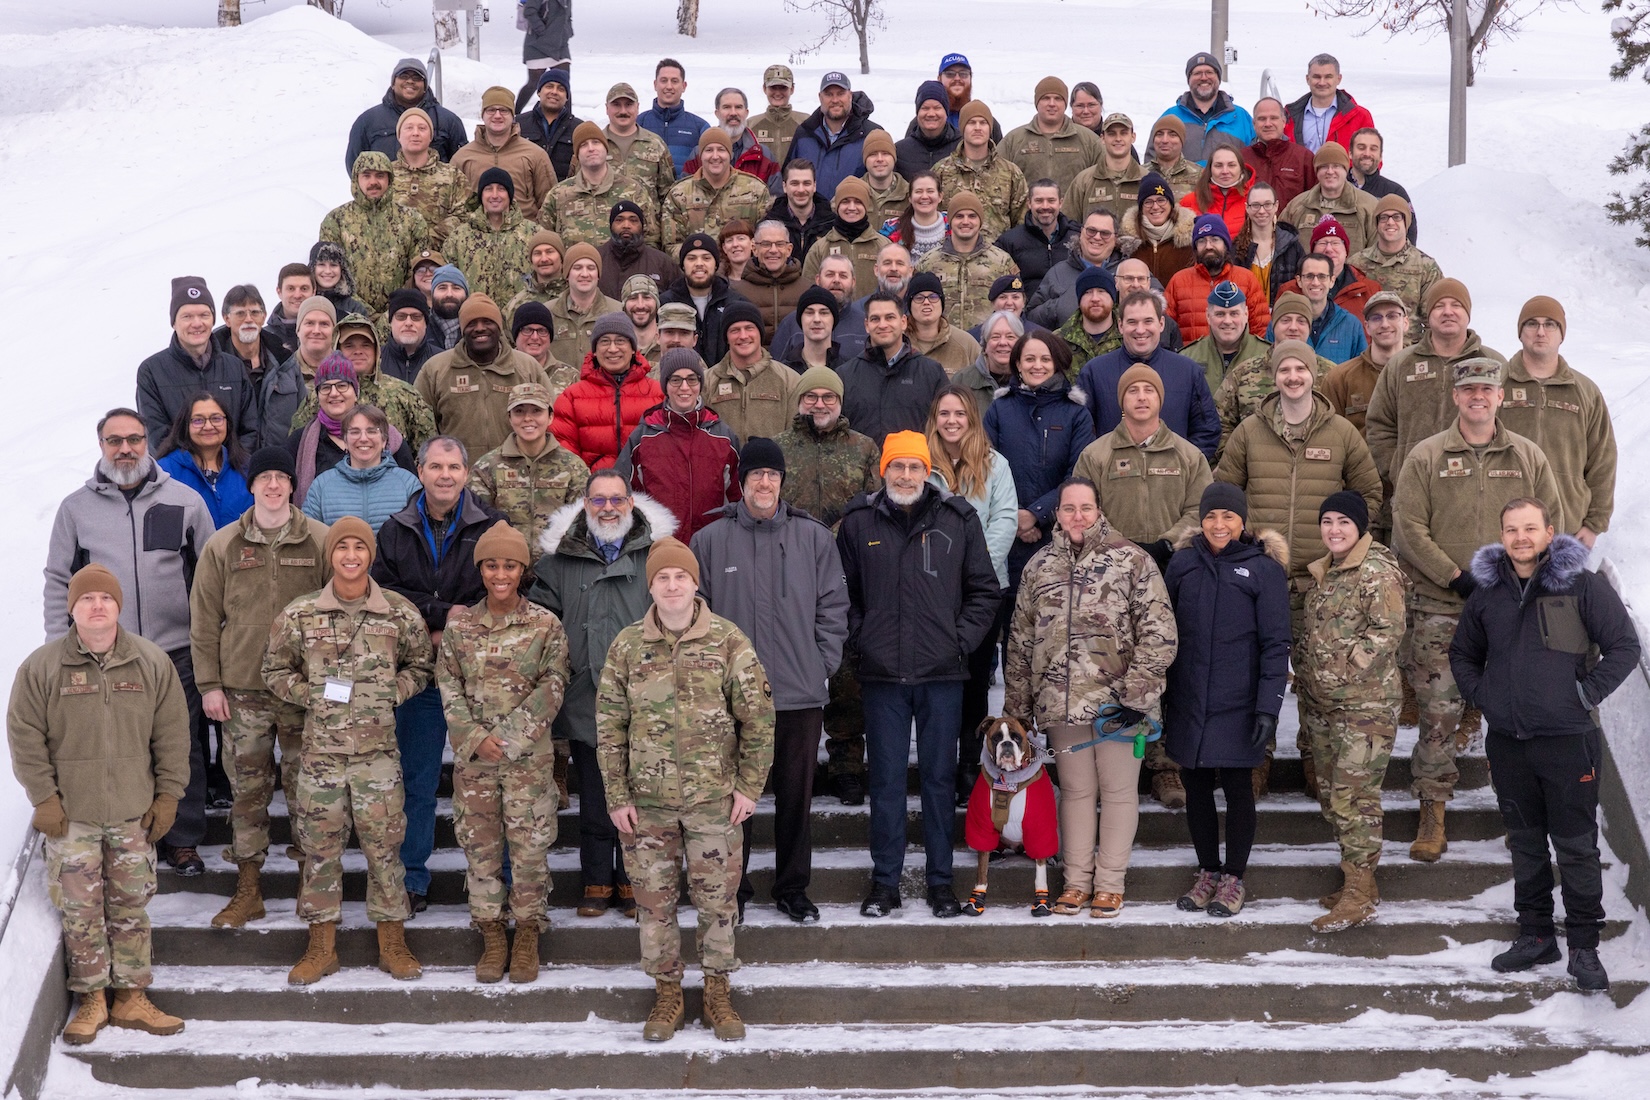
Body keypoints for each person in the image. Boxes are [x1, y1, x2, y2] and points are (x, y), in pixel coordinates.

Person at [1450, 498, 1638, 993]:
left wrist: (1586, 692)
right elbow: (1463, 653)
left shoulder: (1581, 584)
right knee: (1527, 844)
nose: (1520, 537)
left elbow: (1623, 646)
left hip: (1568, 741)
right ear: (1502, 535)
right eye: (1511, 529)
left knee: (1575, 847)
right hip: (1509, 744)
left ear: (1549, 531)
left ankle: (1583, 947)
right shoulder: (1487, 593)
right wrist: (1483, 695)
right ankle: (1535, 934)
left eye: (1530, 528)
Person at [597, 536, 775, 1042]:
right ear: (649, 586)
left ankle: (717, 989)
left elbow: (758, 719)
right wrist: (617, 795)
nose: (672, 586)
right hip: (647, 806)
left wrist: (748, 788)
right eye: (662, 578)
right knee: (654, 903)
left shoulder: (727, 640)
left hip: (713, 802)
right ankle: (667, 994)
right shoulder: (628, 646)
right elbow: (609, 726)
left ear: (696, 582)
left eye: (680, 577)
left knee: (717, 901)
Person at [8, 564, 191, 1044]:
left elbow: (172, 735)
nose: (96, 606)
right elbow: (25, 737)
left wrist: (169, 795)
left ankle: (131, 997)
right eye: (86, 599)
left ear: (118, 606)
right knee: (81, 910)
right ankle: (92, 1000)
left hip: (133, 812)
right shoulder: (43, 667)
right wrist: (44, 798)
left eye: (105, 599)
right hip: (72, 818)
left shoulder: (151, 662)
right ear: (72, 608)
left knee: (131, 905)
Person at [1392, 359, 1563, 860]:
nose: (1478, 397)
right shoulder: (1426, 456)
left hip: (1513, 607)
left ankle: (1520, 815)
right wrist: (1456, 576)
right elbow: (1408, 529)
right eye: (1468, 389)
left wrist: (1516, 577)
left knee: (1513, 712)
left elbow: (1548, 522)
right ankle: (1432, 811)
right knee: (1440, 711)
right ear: (1455, 397)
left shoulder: (1528, 456)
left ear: (1500, 396)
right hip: (1441, 605)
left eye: (1487, 388)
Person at [263, 517, 434, 984]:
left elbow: (423, 664)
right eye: (342, 548)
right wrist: (312, 692)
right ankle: (321, 946)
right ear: (330, 555)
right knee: (320, 851)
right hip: (321, 758)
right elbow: (274, 669)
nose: (351, 556)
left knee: (385, 850)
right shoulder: (301, 614)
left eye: (360, 547)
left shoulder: (397, 612)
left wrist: (394, 689)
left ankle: (392, 941)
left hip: (377, 756)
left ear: (371, 555)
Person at [45, 410, 216, 876]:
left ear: (149, 442)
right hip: (105, 654)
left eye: (135, 439)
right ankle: (133, 835)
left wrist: (211, 642)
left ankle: (182, 840)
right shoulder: (75, 508)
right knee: (116, 745)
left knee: (181, 747)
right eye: (114, 440)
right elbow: (60, 578)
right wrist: (59, 646)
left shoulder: (185, 500)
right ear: (100, 445)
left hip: (175, 651)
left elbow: (211, 576)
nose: (125, 449)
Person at [837, 432, 1000, 919]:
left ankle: (940, 882)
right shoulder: (858, 522)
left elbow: (984, 592)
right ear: (882, 471)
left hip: (940, 677)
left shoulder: (958, 519)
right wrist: (862, 639)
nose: (905, 476)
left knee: (937, 780)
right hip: (883, 677)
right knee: (886, 781)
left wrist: (957, 643)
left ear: (928, 470)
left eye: (914, 466)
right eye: (897, 467)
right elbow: (842, 597)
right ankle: (884, 883)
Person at [1215, 339, 1383, 794]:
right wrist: (1242, 544)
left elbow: (1368, 493)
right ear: (1275, 375)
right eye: (1285, 369)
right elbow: (1224, 495)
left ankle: (1315, 758)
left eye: (1301, 369)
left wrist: (1344, 547)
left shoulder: (1342, 432)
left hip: (1321, 580)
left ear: (1314, 375)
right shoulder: (1249, 431)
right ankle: (1257, 760)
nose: (1293, 376)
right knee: (1256, 673)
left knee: (1316, 676)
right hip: (1261, 577)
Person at [692, 438, 848, 923]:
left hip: (798, 694)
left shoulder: (814, 538)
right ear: (741, 483)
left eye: (772, 476)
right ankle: (733, 889)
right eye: (756, 475)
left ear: (782, 481)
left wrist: (820, 664)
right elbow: (699, 618)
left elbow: (833, 609)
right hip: (732, 700)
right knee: (732, 801)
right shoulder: (710, 541)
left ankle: (792, 888)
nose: (764, 483)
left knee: (795, 796)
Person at [1005, 476, 1177, 918]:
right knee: (1077, 793)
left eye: (1085, 507)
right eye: (1068, 508)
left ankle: (1110, 884)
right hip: (1060, 705)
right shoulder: (1039, 565)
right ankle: (1077, 882)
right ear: (1057, 513)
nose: (1077, 516)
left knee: (1119, 793)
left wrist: (1136, 695)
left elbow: (1159, 633)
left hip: (1117, 706)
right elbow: (1021, 640)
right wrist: (1018, 710)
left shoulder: (1132, 560)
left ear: (1099, 510)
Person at [189, 447, 329, 929]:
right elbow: (204, 619)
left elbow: (340, 614)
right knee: (247, 793)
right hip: (242, 691)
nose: (273, 485)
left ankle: (313, 887)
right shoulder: (224, 544)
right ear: (251, 485)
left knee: (306, 792)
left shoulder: (321, 541)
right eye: (264, 477)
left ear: (293, 486)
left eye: (281, 477)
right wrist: (209, 683)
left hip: (302, 692)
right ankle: (249, 888)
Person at [370, 437, 507, 915]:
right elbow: (386, 592)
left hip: (479, 677)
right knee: (418, 779)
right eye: (435, 466)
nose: (444, 475)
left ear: (466, 474)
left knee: (490, 780)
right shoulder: (395, 529)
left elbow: (500, 587)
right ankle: (412, 878)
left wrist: (449, 623)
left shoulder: (491, 526)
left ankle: (499, 879)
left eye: (453, 466)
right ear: (420, 473)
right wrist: (438, 614)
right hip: (420, 675)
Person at [529, 473, 674, 918]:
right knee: (594, 793)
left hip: (643, 697)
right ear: (585, 504)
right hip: (583, 694)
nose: (607, 508)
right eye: (598, 500)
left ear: (631, 503)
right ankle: (595, 881)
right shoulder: (558, 562)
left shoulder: (656, 555)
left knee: (639, 792)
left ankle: (632, 880)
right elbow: (542, 625)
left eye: (616, 499)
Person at [438, 520, 568, 983]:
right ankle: (492, 934)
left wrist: (508, 738)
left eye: (509, 565)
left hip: (527, 762)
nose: (500, 573)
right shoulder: (460, 628)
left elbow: (553, 685)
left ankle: (529, 931)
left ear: (522, 570)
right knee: (481, 850)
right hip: (475, 765)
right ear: (481, 570)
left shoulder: (544, 625)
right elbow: (448, 686)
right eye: (491, 564)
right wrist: (475, 739)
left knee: (530, 849)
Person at [1162, 482, 1288, 919]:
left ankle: (1233, 876)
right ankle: (1207, 871)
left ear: (1242, 521)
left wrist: (1268, 705)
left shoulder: (1263, 571)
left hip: (1240, 702)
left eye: (1228, 517)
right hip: (1189, 697)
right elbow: (1164, 632)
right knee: (1195, 788)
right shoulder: (1181, 565)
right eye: (1211, 516)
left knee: (1237, 790)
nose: (1219, 524)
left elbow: (1276, 644)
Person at [1297, 490, 1406, 932]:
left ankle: (1360, 891)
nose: (1334, 530)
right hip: (1323, 707)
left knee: (1353, 797)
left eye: (1344, 521)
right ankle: (1356, 881)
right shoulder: (1329, 571)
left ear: (1360, 526)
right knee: (1331, 795)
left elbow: (1387, 633)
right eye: (1327, 522)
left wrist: (1338, 674)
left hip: (1366, 706)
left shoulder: (1376, 572)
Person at [925, 386, 1018, 800]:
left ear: (972, 419)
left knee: (976, 681)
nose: (952, 421)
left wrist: (973, 570)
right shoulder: (921, 466)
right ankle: (938, 765)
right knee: (938, 681)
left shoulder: (996, 465)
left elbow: (1005, 520)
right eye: (944, 413)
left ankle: (969, 764)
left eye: (960, 413)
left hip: (983, 590)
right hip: (932, 590)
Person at [985, 332, 1096, 623]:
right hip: (1004, 539)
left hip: (1058, 538)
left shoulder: (1076, 414)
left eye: (1045, 359)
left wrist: (1036, 515)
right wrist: (1015, 518)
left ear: (1057, 363)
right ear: (1018, 365)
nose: (1038, 365)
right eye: (1029, 359)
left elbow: (1078, 475)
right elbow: (985, 467)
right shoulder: (1000, 409)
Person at [1365, 278, 1506, 491]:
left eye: (1456, 305)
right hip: (1413, 490)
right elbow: (1379, 425)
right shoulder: (1401, 364)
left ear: (1468, 314)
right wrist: (1399, 470)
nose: (1447, 311)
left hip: (1476, 491)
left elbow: (1511, 426)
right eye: (1439, 306)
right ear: (1428, 316)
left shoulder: (1493, 363)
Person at [1498, 297, 1616, 547]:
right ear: (1520, 332)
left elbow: (1603, 460)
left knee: (1562, 588)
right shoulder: (1497, 384)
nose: (1540, 332)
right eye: (1531, 324)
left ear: (1561, 334)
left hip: (1566, 527)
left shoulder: (1584, 391)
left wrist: (1594, 524)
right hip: (1504, 525)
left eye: (1550, 324)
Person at [1078, 292, 1221, 460]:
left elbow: (1207, 430)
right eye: (1132, 322)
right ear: (1120, 325)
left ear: (1161, 324)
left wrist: (1181, 466)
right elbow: (1082, 432)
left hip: (1173, 478)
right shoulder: (1095, 372)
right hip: (1112, 477)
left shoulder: (1188, 371)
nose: (1140, 330)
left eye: (1148, 321)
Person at [615, 348, 740, 539]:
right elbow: (621, 495)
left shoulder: (723, 437)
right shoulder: (644, 437)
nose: (684, 387)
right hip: (659, 549)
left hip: (711, 548)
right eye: (675, 379)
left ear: (700, 383)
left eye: (692, 379)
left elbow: (738, 499)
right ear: (665, 385)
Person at [417, 294, 557, 459]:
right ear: (462, 330)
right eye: (471, 323)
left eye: (488, 322)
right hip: (456, 475)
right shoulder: (435, 370)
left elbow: (554, 422)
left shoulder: (527, 367)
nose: (480, 328)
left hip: (516, 475)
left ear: (499, 327)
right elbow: (420, 428)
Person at [137, 277, 260, 454]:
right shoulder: (151, 371)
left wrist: (230, 468)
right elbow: (156, 435)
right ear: (174, 322)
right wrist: (197, 468)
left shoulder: (234, 366)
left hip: (231, 474)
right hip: (178, 477)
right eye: (187, 316)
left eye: (204, 315)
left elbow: (249, 430)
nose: (197, 323)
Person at [467, 382, 590, 560]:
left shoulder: (572, 466)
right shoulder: (487, 466)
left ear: (550, 417)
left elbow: (581, 524)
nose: (527, 418)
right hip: (504, 570)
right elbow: (476, 522)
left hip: (556, 569)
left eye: (536, 411)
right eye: (519, 411)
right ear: (509, 418)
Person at [290, 314, 435, 453]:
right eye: (349, 346)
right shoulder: (322, 397)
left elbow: (428, 450)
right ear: (337, 350)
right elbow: (298, 444)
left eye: (365, 345)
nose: (358, 351)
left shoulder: (404, 395)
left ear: (376, 350)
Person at [288, 356, 417, 507]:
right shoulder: (301, 441)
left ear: (356, 392)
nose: (334, 393)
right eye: (325, 387)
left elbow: (413, 495)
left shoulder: (389, 436)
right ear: (318, 395)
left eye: (342, 385)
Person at [320, 152, 430, 313]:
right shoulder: (336, 220)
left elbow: (418, 272)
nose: (373, 182)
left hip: (400, 315)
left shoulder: (412, 220)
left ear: (389, 180)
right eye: (366, 176)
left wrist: (393, 312)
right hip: (349, 313)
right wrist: (363, 311)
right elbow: (330, 274)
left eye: (380, 175)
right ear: (356, 179)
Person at [552, 313, 665, 469]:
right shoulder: (571, 398)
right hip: (593, 489)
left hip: (644, 489)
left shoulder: (658, 394)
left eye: (620, 341)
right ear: (595, 351)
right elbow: (565, 453)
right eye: (605, 341)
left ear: (633, 348)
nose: (613, 349)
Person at [774, 365, 882, 528]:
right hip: (792, 544)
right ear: (799, 400)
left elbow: (874, 503)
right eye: (811, 396)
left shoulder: (865, 447)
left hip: (846, 545)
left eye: (828, 397)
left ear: (839, 401)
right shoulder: (777, 447)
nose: (819, 404)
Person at [836, 291, 949, 446]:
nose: (883, 325)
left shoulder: (931, 373)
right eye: (875, 319)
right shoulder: (845, 375)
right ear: (866, 325)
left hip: (914, 468)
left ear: (903, 322)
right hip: (861, 469)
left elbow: (944, 429)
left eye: (890, 317)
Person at [302, 405, 422, 531]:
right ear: (345, 441)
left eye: (371, 431)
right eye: (355, 432)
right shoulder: (321, 486)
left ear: (384, 441)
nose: (363, 439)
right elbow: (309, 538)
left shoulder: (408, 484)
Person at [541, 122, 660, 250]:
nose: (591, 148)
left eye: (596, 142)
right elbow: (544, 239)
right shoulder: (559, 194)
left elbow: (651, 238)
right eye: (583, 145)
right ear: (577, 154)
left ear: (605, 148)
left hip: (624, 268)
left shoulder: (632, 189)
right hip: (577, 268)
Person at [452, 86, 558, 224]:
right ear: (482, 114)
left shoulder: (535, 155)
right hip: (476, 239)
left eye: (503, 110)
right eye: (491, 110)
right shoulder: (462, 157)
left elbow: (550, 203)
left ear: (513, 115)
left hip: (524, 236)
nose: (497, 115)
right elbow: (452, 206)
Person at [915, 193, 1019, 331]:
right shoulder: (928, 262)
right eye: (959, 216)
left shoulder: (1002, 261)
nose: (965, 221)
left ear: (980, 221)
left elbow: (1016, 306)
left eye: (972, 216)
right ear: (950, 221)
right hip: (941, 344)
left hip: (987, 344)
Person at [344, 57, 467, 173]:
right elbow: (354, 164)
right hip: (386, 194)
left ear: (425, 85)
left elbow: (461, 163)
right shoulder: (368, 121)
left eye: (417, 77)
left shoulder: (448, 121)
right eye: (403, 76)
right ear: (393, 83)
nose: (410, 81)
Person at [662, 128, 772, 254]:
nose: (715, 156)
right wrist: (702, 260)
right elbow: (671, 246)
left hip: (743, 271)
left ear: (730, 154)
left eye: (721, 150)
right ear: (700, 155)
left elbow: (764, 241)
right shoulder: (679, 194)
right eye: (709, 150)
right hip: (697, 270)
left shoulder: (755, 190)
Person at [702, 302, 800, 442]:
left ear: (760, 333)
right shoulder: (707, 381)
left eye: (749, 328)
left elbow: (796, 436)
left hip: (773, 463)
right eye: (735, 330)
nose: (743, 336)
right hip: (724, 463)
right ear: (726, 337)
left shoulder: (789, 380)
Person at [1349, 195, 1440, 344]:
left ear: (1406, 223)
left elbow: (1434, 320)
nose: (1390, 222)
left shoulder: (1425, 266)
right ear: (1377, 224)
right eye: (1384, 217)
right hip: (1366, 352)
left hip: (1409, 354)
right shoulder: (1357, 263)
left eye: (1397, 217)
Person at [932, 102, 1028, 242]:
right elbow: (931, 216)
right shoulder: (941, 171)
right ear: (962, 128)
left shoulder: (1010, 172)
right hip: (951, 256)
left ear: (990, 128)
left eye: (983, 123)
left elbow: (1022, 222)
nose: (977, 128)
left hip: (998, 258)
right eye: (971, 123)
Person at [782, 71, 884, 203]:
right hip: (810, 219)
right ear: (820, 97)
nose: (835, 100)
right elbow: (787, 178)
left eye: (840, 94)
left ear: (850, 96)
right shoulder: (804, 133)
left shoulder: (870, 134)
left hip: (852, 217)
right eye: (829, 94)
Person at [1164, 215, 1270, 342]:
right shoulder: (1178, 281)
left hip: (1240, 360)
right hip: (1190, 359)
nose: (1208, 246)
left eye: (1215, 239)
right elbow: (1166, 330)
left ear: (1225, 244)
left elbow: (1261, 331)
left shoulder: (1247, 279)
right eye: (1202, 241)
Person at [155, 394, 253, 531]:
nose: (208, 426)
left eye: (216, 419)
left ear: (228, 423)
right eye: (198, 420)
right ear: (185, 425)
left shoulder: (247, 468)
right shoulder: (165, 471)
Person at [660, 233, 759, 367]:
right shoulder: (665, 303)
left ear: (716, 265)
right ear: (683, 265)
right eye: (691, 258)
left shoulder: (736, 303)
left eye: (706, 258)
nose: (699, 264)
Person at [444, 169, 538, 308]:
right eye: (488, 189)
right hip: (475, 321)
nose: (494, 195)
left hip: (522, 321)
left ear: (510, 195)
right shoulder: (459, 237)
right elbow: (447, 281)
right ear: (481, 195)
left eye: (501, 189)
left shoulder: (533, 233)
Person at [1322, 291, 1408, 437]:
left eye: (1392, 316)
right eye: (1376, 318)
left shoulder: (1423, 372)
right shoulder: (1340, 378)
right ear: (1367, 327)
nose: (1385, 324)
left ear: (1405, 323)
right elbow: (1328, 437)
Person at [1002, 77, 1105, 199]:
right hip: (1026, 217)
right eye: (1046, 98)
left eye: (1058, 99)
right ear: (1037, 103)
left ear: (1066, 104)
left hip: (1075, 217)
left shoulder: (1090, 141)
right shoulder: (1014, 140)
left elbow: (1104, 182)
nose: (1052, 104)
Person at [1026, 208, 1122, 329]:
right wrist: (1059, 306)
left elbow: (1152, 303)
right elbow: (1031, 317)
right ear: (1081, 232)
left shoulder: (1131, 271)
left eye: (1105, 233)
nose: (1097, 237)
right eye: (1091, 231)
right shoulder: (1058, 272)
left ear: (1115, 238)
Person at [1274, 216, 1381, 318]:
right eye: (1322, 243)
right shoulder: (1290, 291)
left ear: (1346, 251)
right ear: (1313, 251)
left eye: (1335, 243)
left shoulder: (1370, 290)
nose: (1329, 249)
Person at [1280, 142, 1377, 255]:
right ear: (1316, 171)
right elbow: (1280, 247)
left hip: (1352, 272)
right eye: (1324, 166)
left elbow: (1378, 252)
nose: (1330, 171)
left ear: (1345, 169)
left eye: (1336, 166)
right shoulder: (1297, 205)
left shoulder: (1368, 206)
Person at [1163, 51, 1256, 163]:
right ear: (1189, 80)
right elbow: (1153, 160)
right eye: (1197, 73)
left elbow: (1257, 159)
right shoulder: (1170, 117)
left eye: (1209, 72)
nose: (1203, 78)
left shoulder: (1241, 118)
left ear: (1218, 78)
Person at [1183, 281, 1270, 395]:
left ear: (1246, 314)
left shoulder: (1267, 355)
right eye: (1220, 314)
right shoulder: (1188, 357)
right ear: (1208, 316)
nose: (1227, 321)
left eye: (1234, 313)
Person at [799, 179, 884, 294]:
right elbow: (808, 289)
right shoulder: (819, 248)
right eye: (845, 201)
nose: (851, 207)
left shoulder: (883, 246)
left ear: (866, 206)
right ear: (837, 206)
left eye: (858, 202)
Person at [995, 182, 1075, 301]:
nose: (1045, 206)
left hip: (1069, 315)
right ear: (1029, 203)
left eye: (1051, 200)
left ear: (1060, 203)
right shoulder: (1009, 242)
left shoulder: (1077, 238)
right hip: (1027, 315)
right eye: (1039, 200)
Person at [546, 242, 622, 367]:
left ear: (598, 274)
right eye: (577, 268)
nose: (585, 274)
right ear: (567, 274)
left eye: (591, 268)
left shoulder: (617, 312)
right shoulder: (548, 312)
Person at [603, 82, 677, 209]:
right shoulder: (594, 144)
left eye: (629, 105)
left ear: (637, 107)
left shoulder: (655, 144)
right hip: (603, 225)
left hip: (647, 225)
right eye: (616, 105)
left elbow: (668, 194)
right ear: (606, 108)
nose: (623, 111)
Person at [682, 89, 780, 183]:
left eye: (738, 107)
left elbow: (775, 197)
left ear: (746, 113)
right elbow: (685, 192)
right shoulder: (698, 154)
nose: (733, 113)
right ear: (717, 113)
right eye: (726, 107)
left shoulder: (764, 156)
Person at [730, 220, 805, 341]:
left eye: (780, 244)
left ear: (789, 249)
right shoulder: (735, 292)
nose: (773, 250)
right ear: (754, 249)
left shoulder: (807, 289)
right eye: (766, 244)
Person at [1283, 54, 1376, 151]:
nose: (1322, 82)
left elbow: (1372, 158)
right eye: (1316, 77)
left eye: (1328, 77)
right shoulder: (1287, 117)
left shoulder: (1360, 116)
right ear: (1307, 79)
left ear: (1338, 79)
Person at [1233, 180, 1304, 304]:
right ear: (1247, 208)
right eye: (1255, 205)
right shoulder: (1235, 248)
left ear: (1276, 206)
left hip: (1283, 318)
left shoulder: (1293, 247)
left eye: (1267, 204)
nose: (1261, 211)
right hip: (1246, 320)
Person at [638, 59, 710, 180]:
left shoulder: (699, 127)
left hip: (685, 196)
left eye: (675, 81)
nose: (669, 86)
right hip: (646, 197)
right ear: (655, 84)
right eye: (664, 80)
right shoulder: (639, 123)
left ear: (684, 86)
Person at [1287, 253, 1367, 361]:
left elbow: (1360, 371)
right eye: (1309, 276)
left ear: (1332, 281)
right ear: (1299, 281)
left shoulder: (1351, 324)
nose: (1315, 283)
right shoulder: (1282, 324)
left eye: (1322, 277)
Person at [1121, 173, 1196, 288]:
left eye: (1161, 200)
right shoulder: (1128, 244)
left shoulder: (1189, 240)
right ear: (1141, 208)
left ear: (1171, 204)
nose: (1155, 207)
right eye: (1148, 202)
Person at [903, 272, 981, 376]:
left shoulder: (966, 344)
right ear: (910, 305)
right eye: (919, 298)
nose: (926, 302)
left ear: (942, 302)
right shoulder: (899, 341)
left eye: (933, 297)